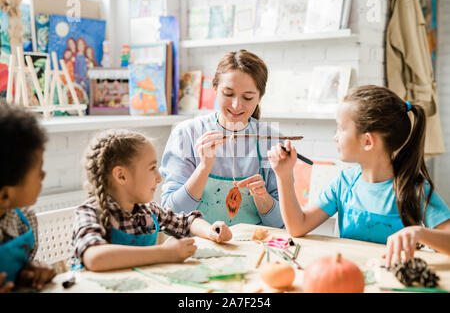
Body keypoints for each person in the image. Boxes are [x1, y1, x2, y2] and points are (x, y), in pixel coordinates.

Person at [267, 85, 450, 268]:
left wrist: (420, 233)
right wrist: (283, 175)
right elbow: (298, 227)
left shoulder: (413, 188)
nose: (335, 137)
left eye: (340, 128)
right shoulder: (344, 183)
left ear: (367, 141)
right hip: (349, 277)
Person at [72, 129, 233, 272]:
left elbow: (187, 222)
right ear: (121, 176)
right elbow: (94, 257)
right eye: (151, 168)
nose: (159, 177)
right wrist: (165, 253)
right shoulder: (89, 212)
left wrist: (211, 231)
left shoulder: (148, 210)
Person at [160, 50, 284, 228]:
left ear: (259, 97)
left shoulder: (271, 140)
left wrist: (263, 198)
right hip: (197, 244)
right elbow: (169, 214)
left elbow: (282, 224)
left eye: (248, 97)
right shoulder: (186, 134)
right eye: (228, 93)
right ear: (215, 89)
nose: (236, 105)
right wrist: (203, 168)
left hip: (252, 247)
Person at [0, 103, 56, 292]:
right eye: (38, 171)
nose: (44, 176)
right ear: (5, 195)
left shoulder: (23, 222)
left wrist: (30, 272)